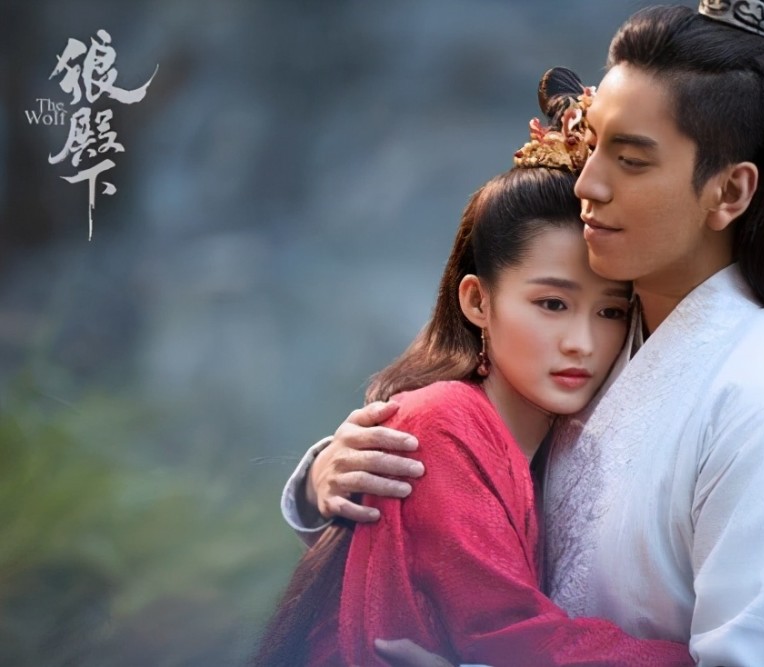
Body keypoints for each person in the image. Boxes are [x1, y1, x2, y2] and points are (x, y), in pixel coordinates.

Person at [283, 3, 764, 666]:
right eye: (593, 143)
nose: (588, 183)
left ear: (729, 192)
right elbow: (469, 518)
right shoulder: (607, 333)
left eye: (630, 160)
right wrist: (336, 478)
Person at [257, 69, 694, 666]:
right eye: (552, 304)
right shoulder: (443, 422)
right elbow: (510, 636)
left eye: (612, 311)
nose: (582, 343)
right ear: (477, 301)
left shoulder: (562, 440)